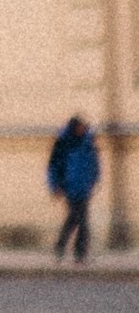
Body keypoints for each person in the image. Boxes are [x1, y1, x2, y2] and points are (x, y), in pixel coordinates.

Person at [48, 112, 101, 263]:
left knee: (82, 221)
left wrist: (95, 178)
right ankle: (61, 248)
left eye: (82, 127)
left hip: (84, 187)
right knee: (74, 219)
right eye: (79, 127)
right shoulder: (63, 143)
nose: (81, 130)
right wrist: (54, 186)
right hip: (69, 187)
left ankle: (79, 254)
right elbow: (53, 166)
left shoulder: (88, 142)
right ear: (73, 127)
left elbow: (94, 161)